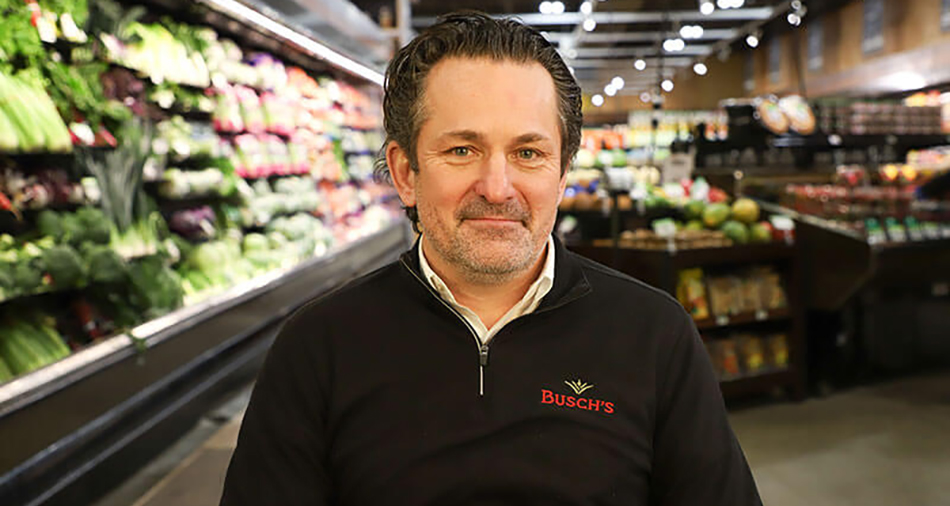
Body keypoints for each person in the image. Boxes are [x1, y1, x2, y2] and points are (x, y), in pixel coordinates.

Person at [220, 11, 761, 506]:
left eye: (528, 153)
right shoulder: (318, 347)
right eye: (462, 150)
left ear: (562, 174)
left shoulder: (655, 334)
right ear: (405, 173)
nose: (497, 188)